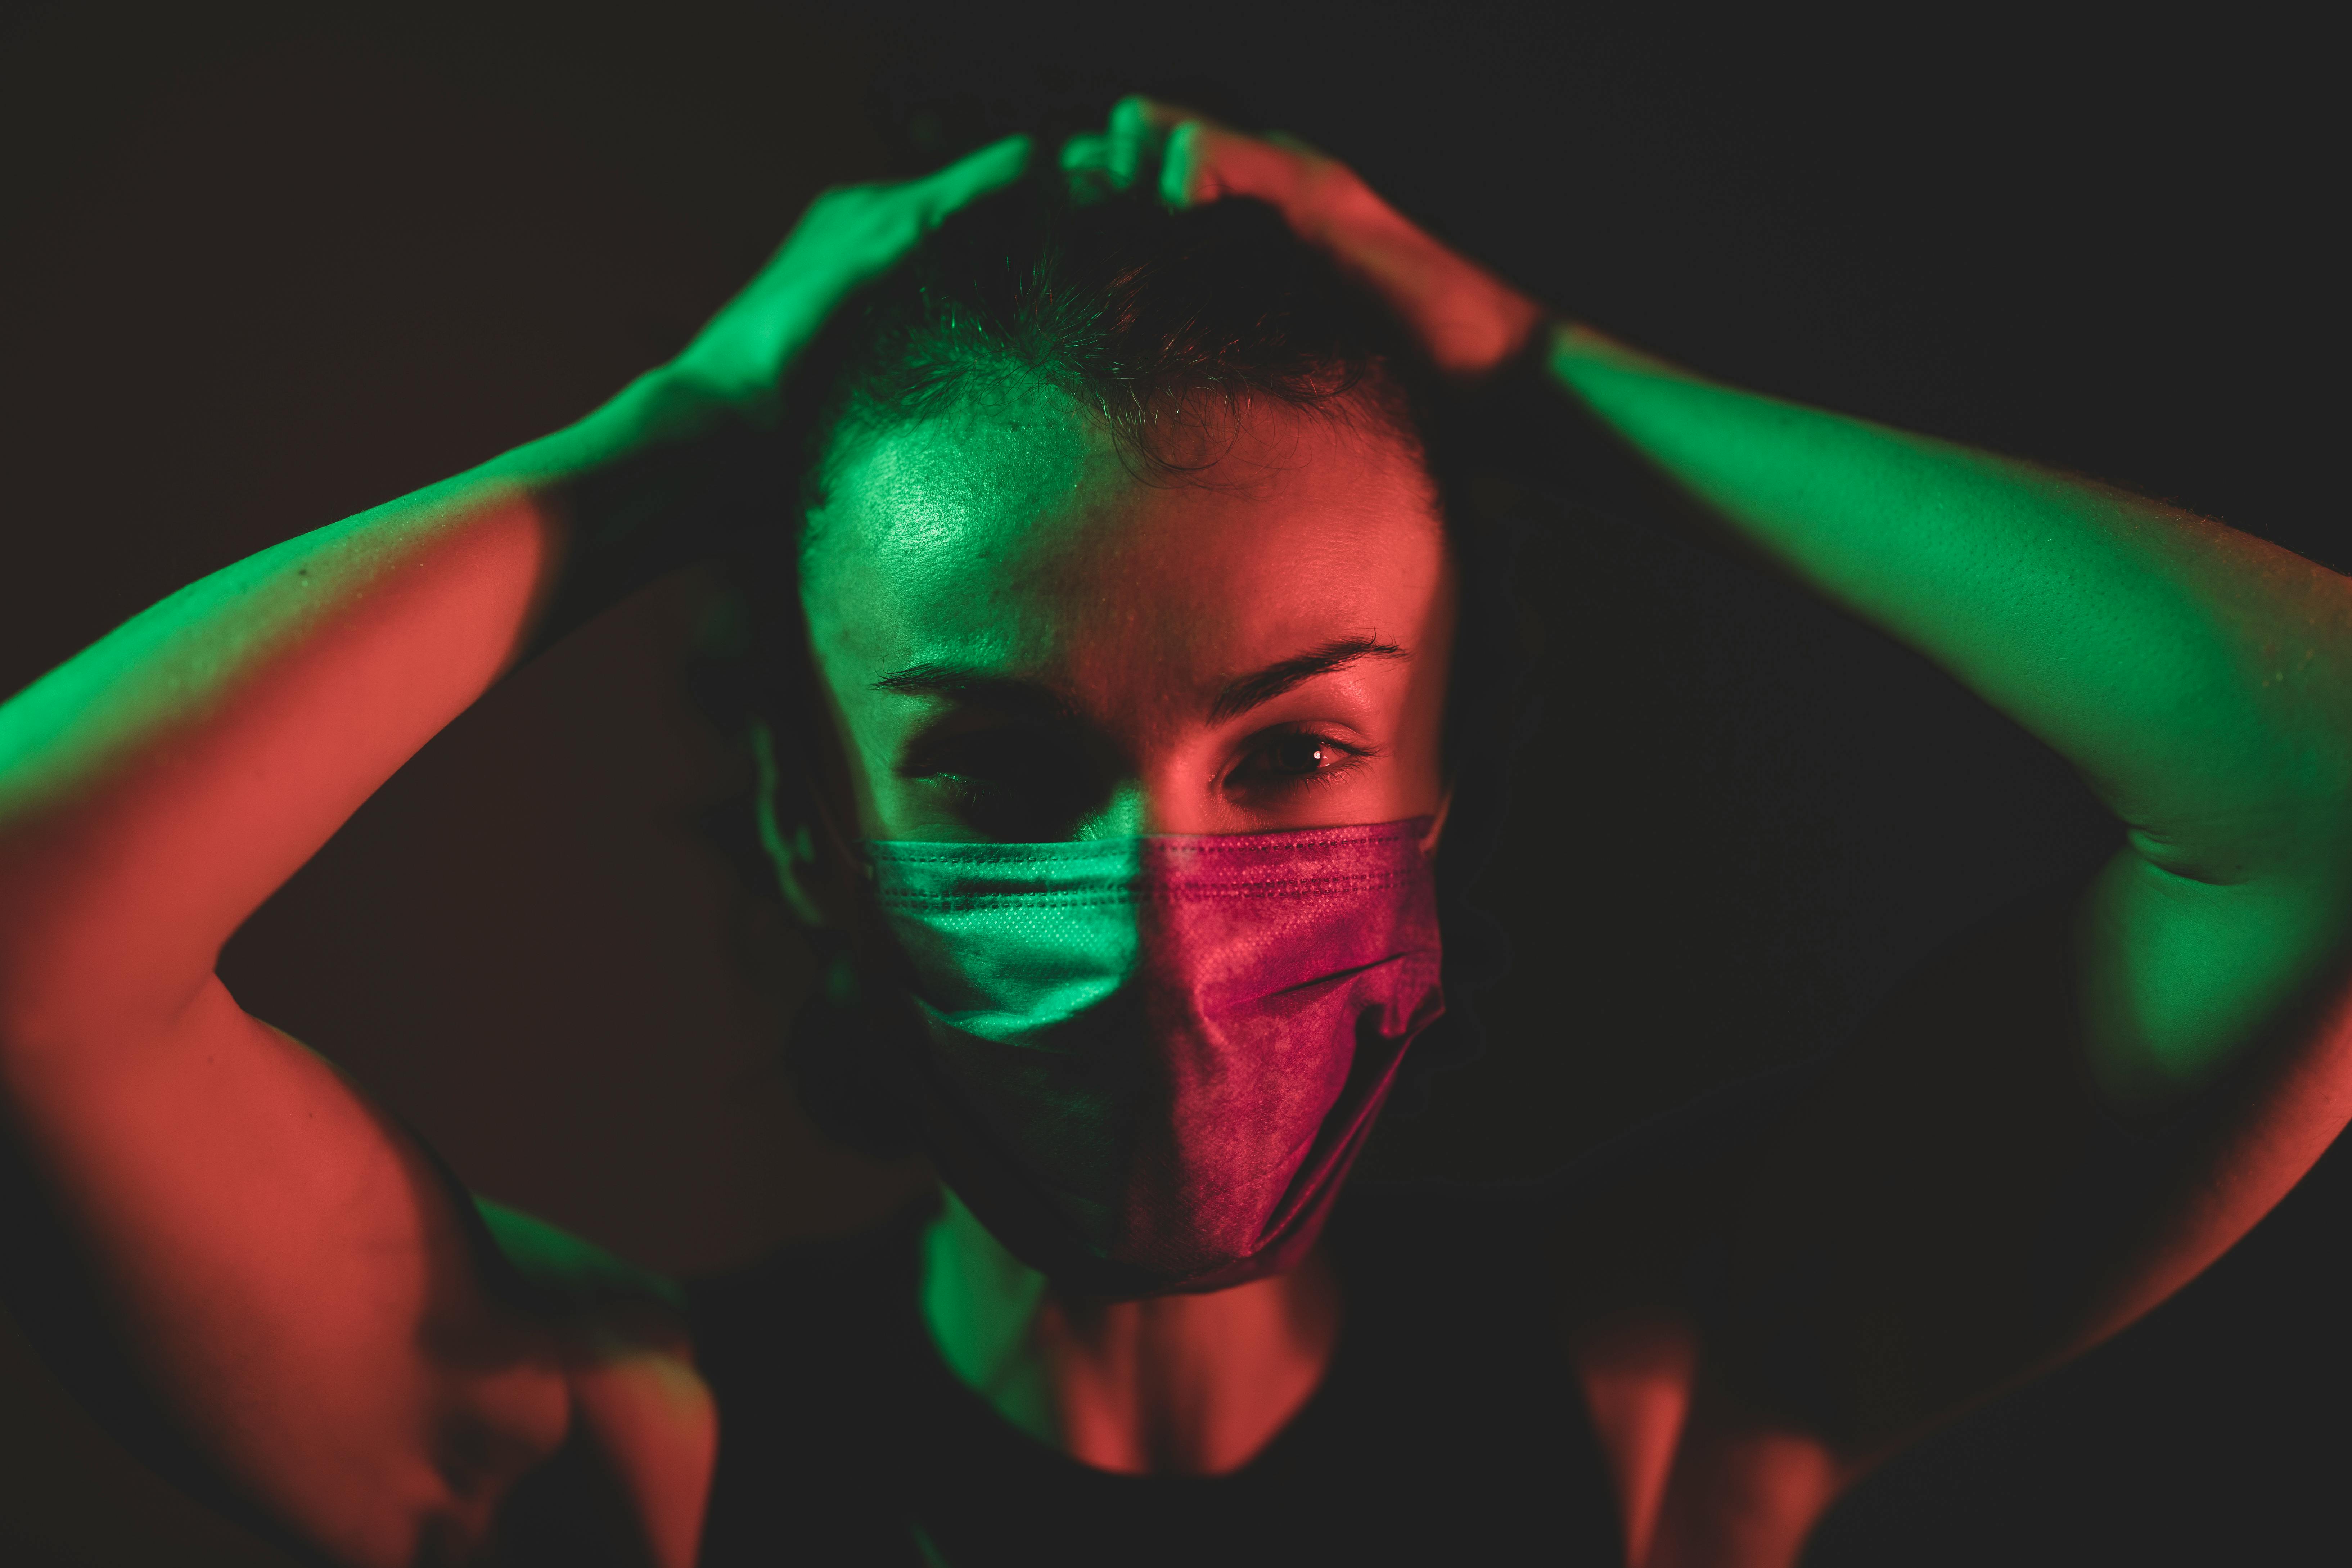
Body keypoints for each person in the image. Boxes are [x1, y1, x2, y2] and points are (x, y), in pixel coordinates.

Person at [0, 94, 2347, 1568]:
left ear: (1440, 788)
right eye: (1000, 771)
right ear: (813, 837)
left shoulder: (1671, 1393)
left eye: (1296, 755)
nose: (1161, 919)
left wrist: (1547, 375)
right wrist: (680, 429)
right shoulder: (598, 1453)